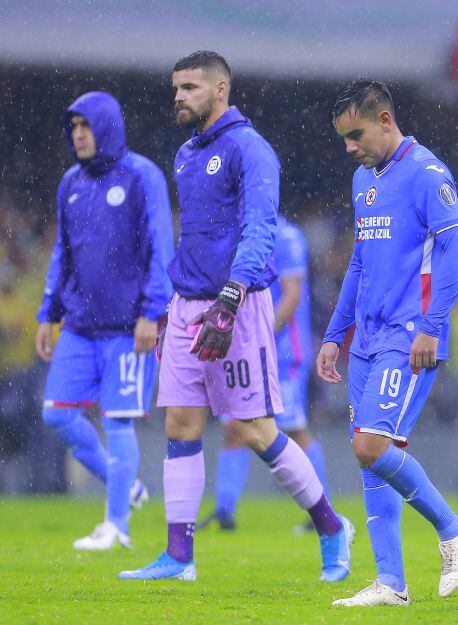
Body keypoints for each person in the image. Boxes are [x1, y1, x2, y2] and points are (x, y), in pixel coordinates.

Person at [118, 51, 353, 582]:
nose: (179, 96)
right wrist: (167, 306)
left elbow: (259, 228)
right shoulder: (184, 154)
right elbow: (194, 239)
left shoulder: (251, 149)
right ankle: (179, 557)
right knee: (180, 423)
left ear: (220, 89)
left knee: (252, 428)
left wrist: (230, 297)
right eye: (176, 87)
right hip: (185, 305)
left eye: (191, 87)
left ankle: (332, 528)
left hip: (237, 304)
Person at [320, 79, 458, 607]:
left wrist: (432, 326)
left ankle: (455, 529)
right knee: (373, 457)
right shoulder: (363, 179)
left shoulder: (428, 174)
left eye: (357, 134)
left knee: (370, 446)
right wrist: (333, 335)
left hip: (409, 336)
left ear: (385, 120)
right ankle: (391, 583)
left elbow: (457, 252)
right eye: (344, 139)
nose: (350, 147)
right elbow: (359, 263)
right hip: (366, 338)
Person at [35, 91, 172, 550]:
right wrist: (47, 312)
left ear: (107, 127)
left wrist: (152, 313)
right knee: (55, 415)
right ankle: (127, 486)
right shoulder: (70, 182)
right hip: (77, 326)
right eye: (73, 126)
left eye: (86, 125)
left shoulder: (141, 176)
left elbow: (160, 249)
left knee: (118, 422)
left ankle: (116, 526)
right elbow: (63, 252)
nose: (78, 134)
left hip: (127, 329)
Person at [202, 213, 331, 532]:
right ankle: (224, 512)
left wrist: (260, 335)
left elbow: (292, 295)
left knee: (293, 430)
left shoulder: (286, 236)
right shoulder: (237, 233)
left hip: (283, 351)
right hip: (243, 348)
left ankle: (322, 511)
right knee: (234, 428)